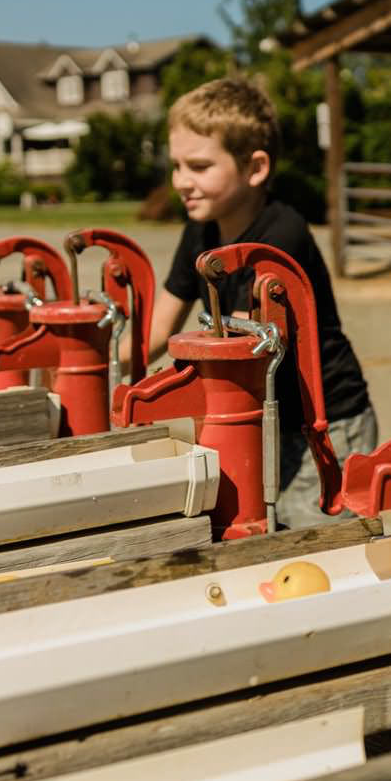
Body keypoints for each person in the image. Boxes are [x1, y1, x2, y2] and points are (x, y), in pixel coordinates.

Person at [147, 77, 376, 531]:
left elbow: (244, 356)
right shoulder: (202, 229)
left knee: (313, 554)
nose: (180, 182)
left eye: (198, 166)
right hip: (262, 418)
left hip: (322, 430)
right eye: (175, 166)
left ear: (255, 168)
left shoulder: (281, 239)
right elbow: (157, 331)